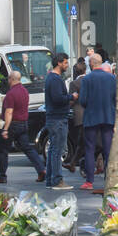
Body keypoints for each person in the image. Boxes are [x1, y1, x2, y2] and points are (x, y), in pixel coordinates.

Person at [0, 70, 47, 185]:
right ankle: (41, 169)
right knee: (27, 148)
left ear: (11, 79)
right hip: (23, 124)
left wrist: (5, 128)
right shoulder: (24, 91)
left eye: (8, 79)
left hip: (13, 125)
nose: (7, 81)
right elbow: (19, 109)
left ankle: (1, 176)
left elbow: (9, 112)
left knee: (2, 150)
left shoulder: (11, 94)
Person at [78, 52, 117, 192]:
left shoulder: (87, 79)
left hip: (91, 117)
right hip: (108, 117)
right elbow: (116, 98)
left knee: (90, 149)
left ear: (91, 63)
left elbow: (82, 100)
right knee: (108, 150)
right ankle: (109, 180)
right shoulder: (112, 78)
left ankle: (89, 181)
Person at [42, 54, 75, 190]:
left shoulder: (51, 78)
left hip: (54, 118)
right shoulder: (55, 79)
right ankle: (56, 179)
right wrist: (71, 96)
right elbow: (57, 98)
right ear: (59, 63)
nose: (67, 65)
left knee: (53, 150)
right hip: (58, 118)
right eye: (66, 63)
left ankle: (51, 178)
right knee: (57, 150)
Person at [63, 57, 85, 175]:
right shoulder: (89, 80)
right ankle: (74, 163)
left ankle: (76, 164)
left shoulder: (74, 83)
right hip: (90, 115)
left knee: (81, 142)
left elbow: (71, 101)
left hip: (79, 115)